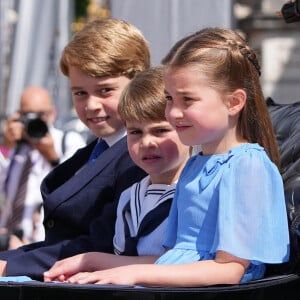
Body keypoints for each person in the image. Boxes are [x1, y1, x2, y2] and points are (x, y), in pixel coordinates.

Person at [55, 27, 290, 287]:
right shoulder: (196, 165)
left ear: (234, 102)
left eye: (187, 100)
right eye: (170, 98)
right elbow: (174, 260)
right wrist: (93, 262)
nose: (173, 112)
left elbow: (230, 269)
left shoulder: (247, 165)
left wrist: (133, 274)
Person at [0, 18, 150, 281]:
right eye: (80, 93)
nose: (91, 105)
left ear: (139, 83)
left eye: (105, 90)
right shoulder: (97, 150)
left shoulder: (143, 156)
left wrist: (11, 266)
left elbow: (101, 242)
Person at [43, 67, 191, 282]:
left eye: (160, 130)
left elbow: (191, 263)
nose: (147, 142)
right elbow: (123, 258)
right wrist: (86, 265)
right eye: (135, 132)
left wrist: (94, 263)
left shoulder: (197, 192)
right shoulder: (130, 197)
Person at [0, 86, 86, 248]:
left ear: (52, 114)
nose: (33, 121)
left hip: (42, 244)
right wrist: (5, 148)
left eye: (40, 115)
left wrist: (53, 158)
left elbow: (78, 191)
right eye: (26, 115)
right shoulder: (13, 145)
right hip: (6, 241)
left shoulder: (67, 141)